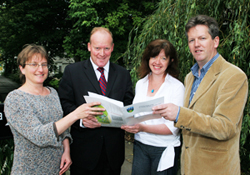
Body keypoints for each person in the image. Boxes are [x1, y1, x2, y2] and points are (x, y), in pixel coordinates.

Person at [152, 15, 248, 175]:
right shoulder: (190, 77)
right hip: (189, 167)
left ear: (215, 41)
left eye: (202, 38)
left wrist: (179, 114)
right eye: (191, 40)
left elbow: (225, 127)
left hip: (216, 169)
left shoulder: (234, 76)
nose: (196, 44)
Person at [4, 44, 104, 175]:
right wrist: (75, 114)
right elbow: (39, 136)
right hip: (29, 170)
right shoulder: (15, 99)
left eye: (44, 64)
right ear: (22, 69)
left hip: (56, 169)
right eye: (34, 64)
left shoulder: (52, 93)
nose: (40, 69)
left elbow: (62, 129)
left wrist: (66, 151)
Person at [58, 27, 134, 175]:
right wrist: (81, 120)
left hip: (113, 155)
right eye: (97, 48)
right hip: (83, 154)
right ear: (89, 47)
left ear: (112, 48)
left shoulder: (123, 74)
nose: (102, 53)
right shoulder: (72, 72)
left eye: (106, 48)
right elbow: (64, 104)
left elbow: (129, 105)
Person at [121, 39, 185, 175]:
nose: (157, 62)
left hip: (164, 148)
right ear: (147, 58)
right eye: (154, 56)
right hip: (140, 146)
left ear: (170, 61)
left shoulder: (177, 87)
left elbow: (173, 127)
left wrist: (143, 128)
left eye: (163, 58)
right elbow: (137, 114)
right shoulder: (140, 83)